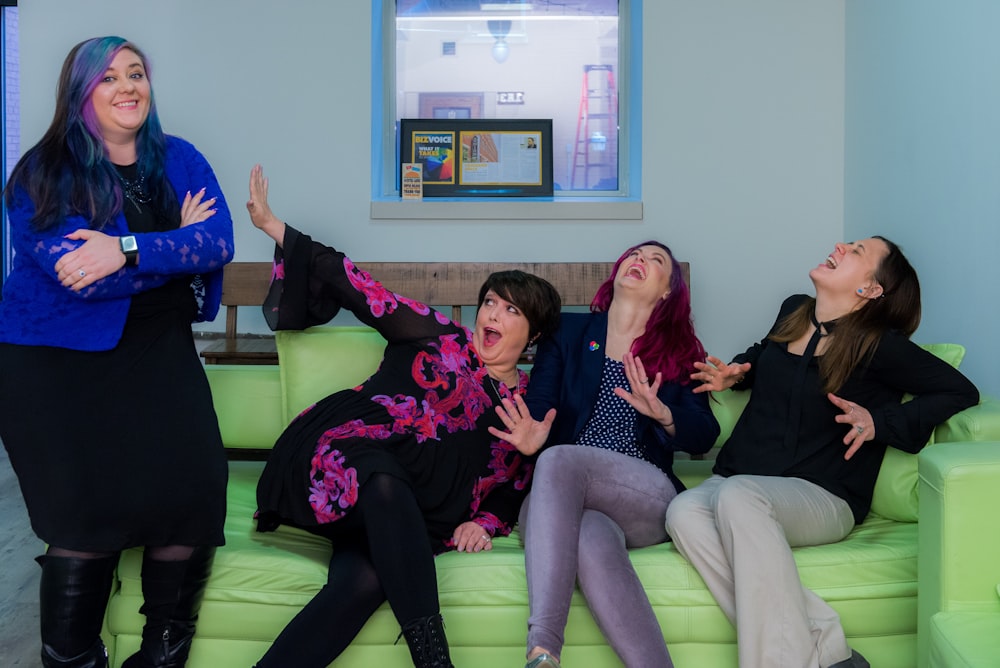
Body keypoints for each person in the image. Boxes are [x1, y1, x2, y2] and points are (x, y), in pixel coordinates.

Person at [244, 164, 562, 668]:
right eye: (489, 303)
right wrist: (273, 226)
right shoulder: (439, 335)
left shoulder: (528, 404)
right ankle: (435, 662)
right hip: (342, 456)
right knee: (383, 478)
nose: (491, 316)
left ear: (536, 336)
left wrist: (491, 513)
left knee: (363, 583)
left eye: (511, 311)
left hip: (413, 516)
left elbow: (518, 486)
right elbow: (358, 288)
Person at [0, 36, 234, 668]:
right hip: (56, 367)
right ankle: (73, 657)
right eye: (108, 78)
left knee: (194, 494)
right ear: (81, 94)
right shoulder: (40, 173)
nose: (128, 86)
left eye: (136, 74)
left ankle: (162, 652)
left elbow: (217, 242)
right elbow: (83, 277)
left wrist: (125, 247)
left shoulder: (179, 159)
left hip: (157, 352)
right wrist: (172, 244)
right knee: (85, 520)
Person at [665, 237, 979, 668]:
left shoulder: (880, 346)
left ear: (871, 288)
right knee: (682, 511)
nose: (840, 246)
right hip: (739, 481)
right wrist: (737, 373)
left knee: (738, 496)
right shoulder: (794, 310)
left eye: (856, 252)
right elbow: (764, 353)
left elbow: (959, 390)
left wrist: (879, 423)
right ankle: (829, 650)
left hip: (822, 496)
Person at [491, 242, 720, 668]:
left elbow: (705, 433)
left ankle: (542, 649)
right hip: (563, 497)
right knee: (588, 532)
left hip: (641, 492)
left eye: (656, 262)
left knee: (559, 460)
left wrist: (664, 414)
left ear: (667, 292)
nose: (640, 261)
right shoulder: (570, 332)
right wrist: (530, 436)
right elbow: (541, 408)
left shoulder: (681, 351)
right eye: (635, 255)